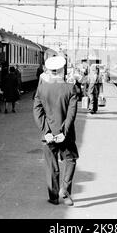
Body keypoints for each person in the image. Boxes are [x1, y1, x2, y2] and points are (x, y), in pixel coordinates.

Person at [33, 56, 78, 206]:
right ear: (61, 70)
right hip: (65, 135)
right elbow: (71, 114)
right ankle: (65, 190)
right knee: (71, 160)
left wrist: (46, 131)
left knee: (51, 166)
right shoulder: (71, 88)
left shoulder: (41, 88)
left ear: (49, 71)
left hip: (48, 136)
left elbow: (37, 111)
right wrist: (63, 132)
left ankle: (53, 197)